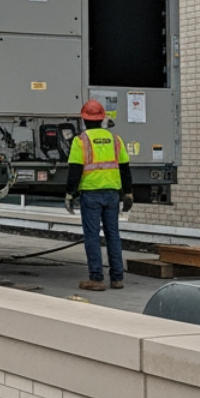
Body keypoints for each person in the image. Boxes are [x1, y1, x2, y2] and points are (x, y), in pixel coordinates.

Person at [64, 99, 133, 291]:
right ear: (102, 119)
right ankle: (117, 278)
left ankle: (96, 278)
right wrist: (128, 193)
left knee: (92, 236)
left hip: (91, 195)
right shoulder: (116, 140)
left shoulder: (81, 141)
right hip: (112, 194)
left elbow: (75, 171)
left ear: (84, 120)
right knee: (113, 235)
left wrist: (70, 194)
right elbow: (125, 169)